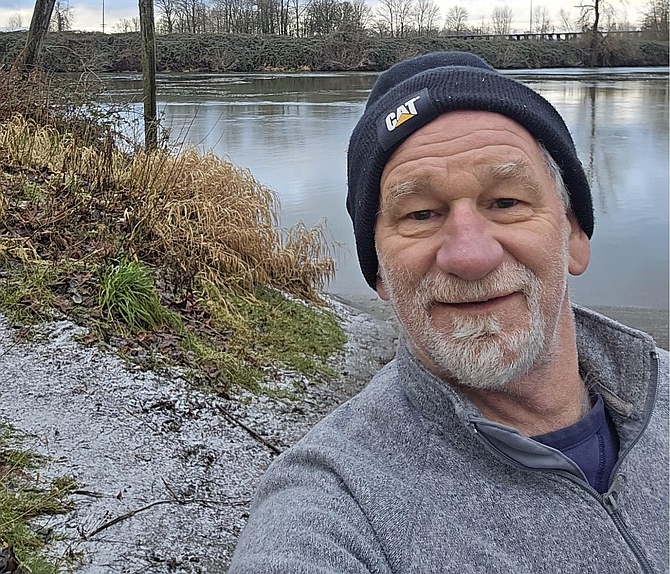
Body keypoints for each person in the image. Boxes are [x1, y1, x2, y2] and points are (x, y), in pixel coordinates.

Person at [229, 51, 669, 574]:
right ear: (380, 276)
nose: (469, 255)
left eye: (505, 202)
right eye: (420, 214)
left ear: (574, 235)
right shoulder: (330, 506)